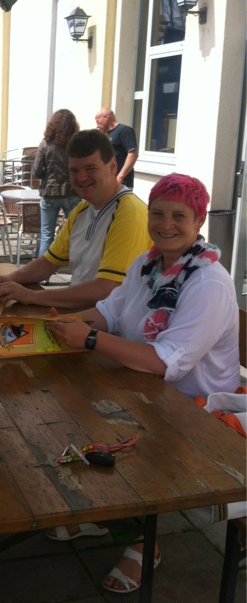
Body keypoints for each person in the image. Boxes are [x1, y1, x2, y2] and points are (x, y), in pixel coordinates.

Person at [46, 173, 240, 594]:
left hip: (197, 409)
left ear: (199, 221)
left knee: (99, 411)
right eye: (157, 213)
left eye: (179, 216)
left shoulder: (208, 282)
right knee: (63, 398)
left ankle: (142, 540)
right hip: (142, 386)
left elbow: (163, 363)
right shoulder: (147, 263)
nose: (165, 224)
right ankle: (106, 515)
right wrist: (56, 325)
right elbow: (109, 312)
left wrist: (92, 339)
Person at [0, 130, 151, 309]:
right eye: (74, 171)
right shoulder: (82, 209)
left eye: (90, 169)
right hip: (80, 319)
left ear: (112, 166)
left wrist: (31, 295)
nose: (81, 178)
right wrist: (9, 279)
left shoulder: (130, 214)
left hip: (109, 329)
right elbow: (49, 262)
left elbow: (108, 289)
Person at [33, 109, 81, 256]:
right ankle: (78, 271)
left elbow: (36, 171)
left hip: (50, 192)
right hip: (72, 192)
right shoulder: (77, 145)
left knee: (47, 235)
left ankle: (43, 276)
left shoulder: (44, 144)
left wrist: (48, 175)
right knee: (77, 234)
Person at [95, 108, 138, 188]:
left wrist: (120, 177)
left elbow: (133, 154)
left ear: (106, 117)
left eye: (98, 122)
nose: (97, 126)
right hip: (109, 182)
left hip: (121, 183)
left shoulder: (124, 131)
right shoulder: (107, 135)